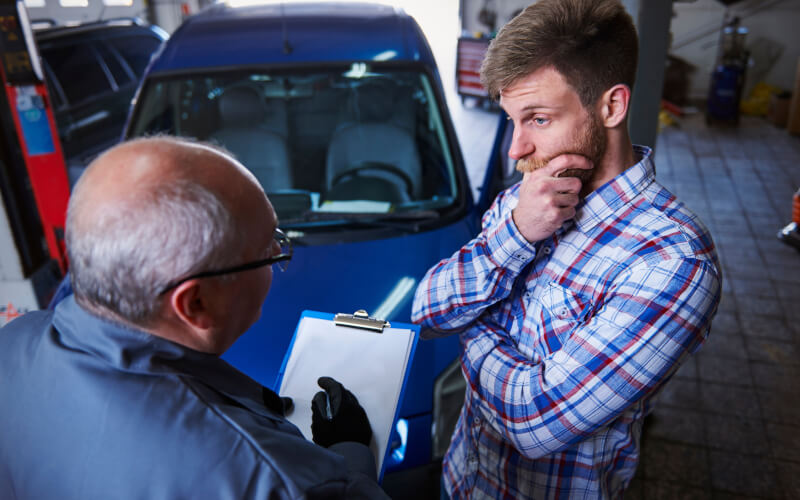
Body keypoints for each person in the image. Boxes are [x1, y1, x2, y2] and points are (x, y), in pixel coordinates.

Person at [411, 0, 722, 498]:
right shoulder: (527, 197)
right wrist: (514, 234)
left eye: (537, 118)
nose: (516, 150)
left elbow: (534, 422)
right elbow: (426, 311)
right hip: (462, 480)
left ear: (612, 106)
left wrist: (469, 328)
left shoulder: (672, 261)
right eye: (512, 120)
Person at [0, 136, 388, 499]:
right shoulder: (275, 481)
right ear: (195, 304)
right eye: (270, 248)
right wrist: (350, 451)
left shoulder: (13, 344)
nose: (278, 252)